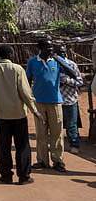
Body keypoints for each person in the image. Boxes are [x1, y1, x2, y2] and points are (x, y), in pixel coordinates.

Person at [0, 45, 43, 185]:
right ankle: (24, 177)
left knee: (4, 147)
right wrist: (34, 110)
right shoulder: (18, 69)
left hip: (2, 115)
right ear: (11, 55)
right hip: (19, 114)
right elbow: (25, 92)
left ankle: (6, 176)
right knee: (22, 146)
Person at [26, 38, 73, 173]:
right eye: (48, 47)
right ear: (40, 48)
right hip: (39, 102)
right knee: (41, 133)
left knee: (57, 133)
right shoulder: (33, 62)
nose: (51, 49)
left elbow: (72, 74)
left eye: (52, 47)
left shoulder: (56, 61)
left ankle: (58, 160)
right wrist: (29, 98)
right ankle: (42, 160)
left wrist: (59, 60)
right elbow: (28, 79)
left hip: (55, 102)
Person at [56, 44, 83, 154]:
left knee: (72, 125)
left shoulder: (72, 65)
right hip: (55, 100)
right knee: (56, 125)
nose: (63, 54)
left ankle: (74, 145)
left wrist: (66, 80)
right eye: (60, 53)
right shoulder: (53, 66)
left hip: (70, 99)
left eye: (64, 52)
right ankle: (57, 147)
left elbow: (80, 82)